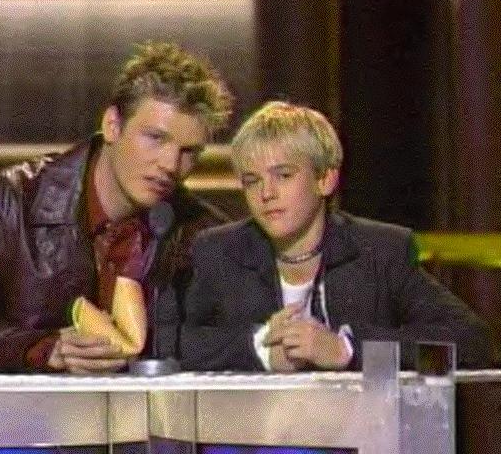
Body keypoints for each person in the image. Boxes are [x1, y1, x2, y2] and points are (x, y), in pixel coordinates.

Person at [0, 41, 233, 373]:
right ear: (112, 125)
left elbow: (228, 343)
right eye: (155, 138)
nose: (170, 165)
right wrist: (45, 349)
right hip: (33, 405)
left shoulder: (202, 233)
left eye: (189, 152)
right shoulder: (10, 200)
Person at [180, 101, 494, 372]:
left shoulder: (380, 251)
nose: (266, 193)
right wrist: (260, 348)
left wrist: (347, 349)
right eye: (252, 181)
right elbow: (176, 345)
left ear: (326, 179)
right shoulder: (219, 251)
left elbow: (473, 344)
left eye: (283, 175)